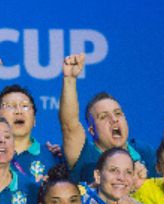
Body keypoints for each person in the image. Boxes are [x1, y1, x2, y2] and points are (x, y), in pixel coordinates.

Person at [58, 54, 156, 184]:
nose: (114, 120)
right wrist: (69, 79)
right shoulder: (84, 153)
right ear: (92, 131)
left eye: (118, 113)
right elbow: (69, 125)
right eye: (103, 117)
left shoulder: (144, 152)